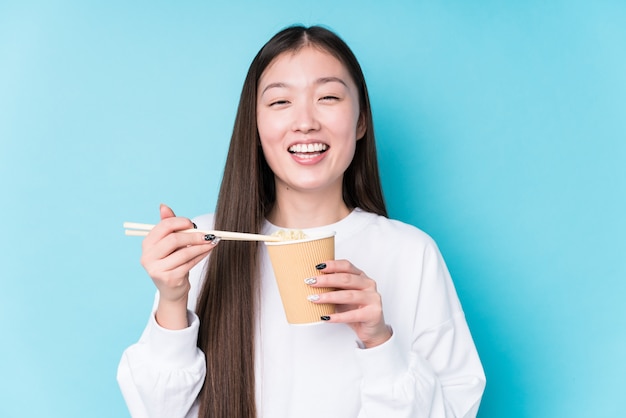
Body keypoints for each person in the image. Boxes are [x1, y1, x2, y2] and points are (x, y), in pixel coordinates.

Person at [117, 24, 486, 418]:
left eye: (328, 97)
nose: (305, 122)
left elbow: (455, 408)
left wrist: (378, 340)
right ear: (255, 127)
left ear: (361, 121)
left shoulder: (411, 253)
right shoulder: (202, 244)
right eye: (280, 103)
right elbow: (158, 411)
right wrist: (173, 300)